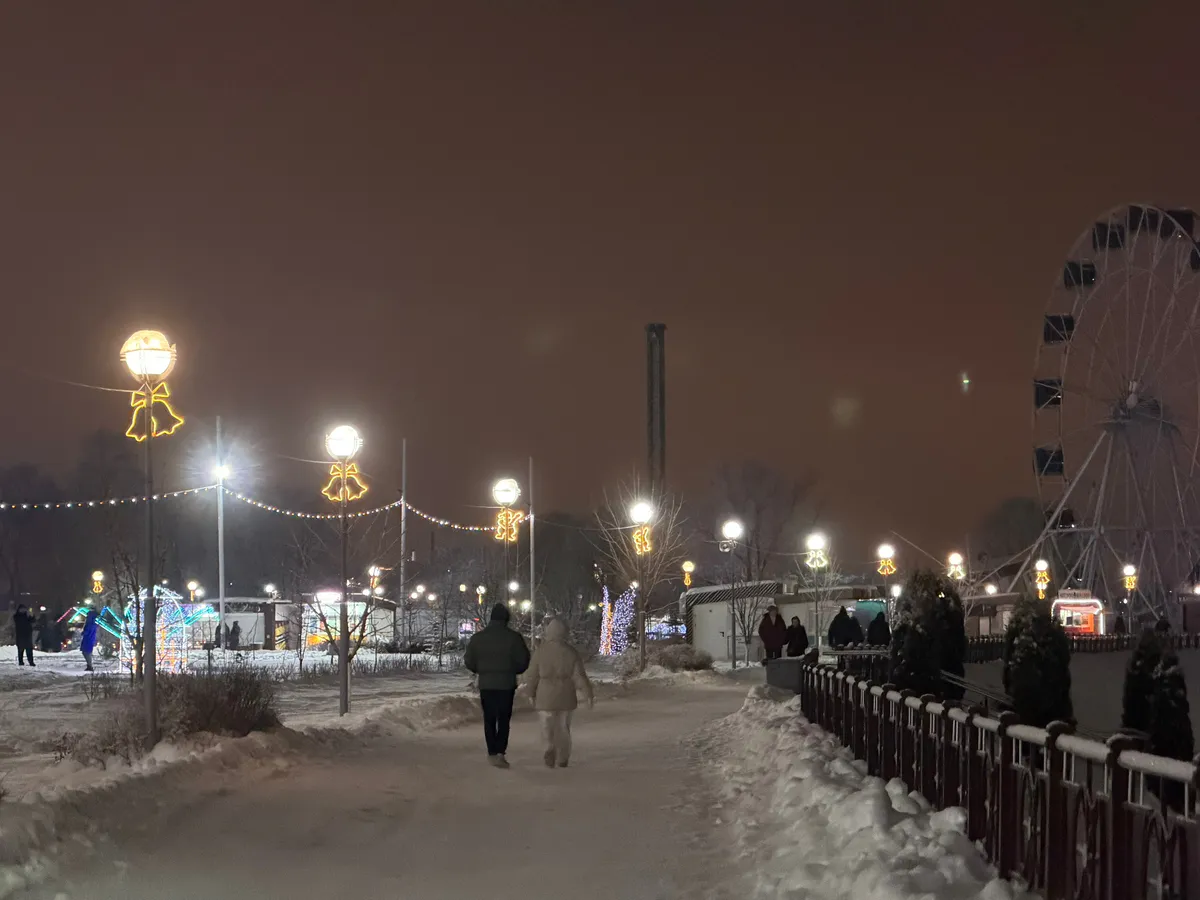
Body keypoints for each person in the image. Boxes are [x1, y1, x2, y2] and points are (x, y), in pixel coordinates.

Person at [463, 603, 530, 768]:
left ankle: (491, 751)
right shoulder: (514, 638)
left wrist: (480, 670)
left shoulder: (478, 638)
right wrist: (513, 670)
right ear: (506, 619)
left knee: (489, 718)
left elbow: (469, 660)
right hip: (506, 684)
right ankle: (500, 751)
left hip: (486, 684)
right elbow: (523, 661)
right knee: (504, 719)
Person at [524, 616, 593, 768]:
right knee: (563, 728)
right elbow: (579, 676)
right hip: (566, 695)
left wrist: (530, 693)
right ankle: (562, 757)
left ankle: (549, 746)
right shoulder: (571, 652)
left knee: (546, 726)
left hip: (545, 696)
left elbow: (532, 675)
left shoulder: (540, 652)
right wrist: (588, 694)